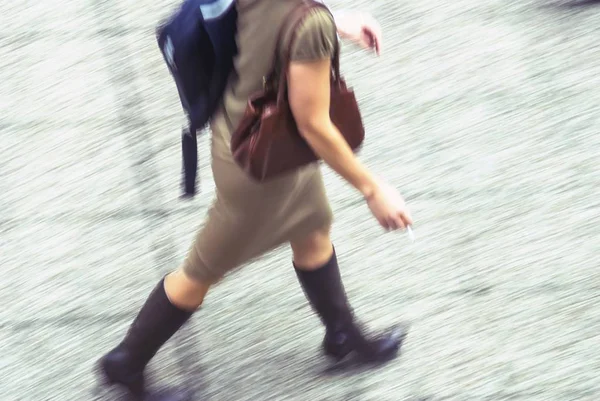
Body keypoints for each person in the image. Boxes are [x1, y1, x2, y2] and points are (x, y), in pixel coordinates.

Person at [98, 1, 413, 401]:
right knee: (199, 272)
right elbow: (313, 124)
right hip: (261, 170)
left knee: (313, 228)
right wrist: (373, 188)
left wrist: (336, 21)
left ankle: (342, 333)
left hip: (250, 133)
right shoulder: (311, 25)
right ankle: (126, 362)